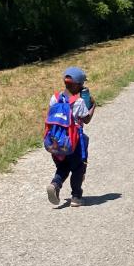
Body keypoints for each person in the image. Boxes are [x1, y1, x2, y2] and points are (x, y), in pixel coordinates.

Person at [46, 66, 95, 207]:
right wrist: (93, 106)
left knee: (63, 167)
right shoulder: (79, 102)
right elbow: (86, 119)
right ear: (78, 85)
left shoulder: (54, 98)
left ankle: (55, 185)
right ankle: (76, 196)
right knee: (78, 168)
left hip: (56, 141)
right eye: (82, 84)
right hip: (74, 142)